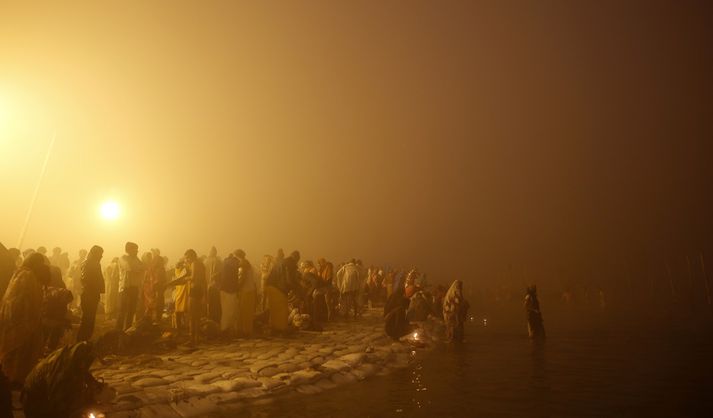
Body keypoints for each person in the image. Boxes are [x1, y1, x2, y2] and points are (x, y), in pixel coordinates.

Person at [0, 253, 50, 386]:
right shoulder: (27, 276)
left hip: (18, 319)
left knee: (16, 352)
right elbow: (26, 299)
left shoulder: (20, 273)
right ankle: (14, 379)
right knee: (19, 352)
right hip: (22, 321)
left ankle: (11, 378)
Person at [76, 246, 105, 342]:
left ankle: (85, 340)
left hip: (93, 293)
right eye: (100, 254)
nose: (101, 256)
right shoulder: (88, 263)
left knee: (90, 318)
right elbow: (85, 279)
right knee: (87, 319)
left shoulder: (95, 263)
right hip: (89, 294)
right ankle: (81, 341)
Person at [116, 242, 144, 331]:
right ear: (129, 250)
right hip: (124, 288)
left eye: (137, 249)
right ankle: (118, 331)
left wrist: (137, 269)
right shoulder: (123, 258)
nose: (137, 251)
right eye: (135, 249)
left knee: (131, 311)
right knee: (122, 311)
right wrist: (138, 269)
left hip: (134, 288)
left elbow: (143, 267)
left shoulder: (137, 259)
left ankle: (127, 330)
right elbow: (129, 267)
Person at [184, 249, 206, 345]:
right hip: (200, 290)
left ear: (191, 256)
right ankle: (197, 337)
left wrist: (186, 278)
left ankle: (191, 338)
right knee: (197, 316)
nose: (187, 260)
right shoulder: (201, 264)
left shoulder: (194, 264)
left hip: (194, 290)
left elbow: (193, 277)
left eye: (187, 258)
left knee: (192, 315)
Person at [264, 250, 289, 333]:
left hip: (271, 286)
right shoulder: (280, 264)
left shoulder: (275, 264)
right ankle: (279, 327)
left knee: (274, 308)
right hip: (276, 288)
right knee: (279, 308)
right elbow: (282, 277)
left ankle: (275, 326)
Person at [235, 250, 257, 337]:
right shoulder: (248, 264)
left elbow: (242, 279)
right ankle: (248, 330)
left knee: (243, 312)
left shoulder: (242, 265)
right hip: (251, 290)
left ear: (237, 256)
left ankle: (244, 332)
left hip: (245, 291)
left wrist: (237, 288)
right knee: (248, 312)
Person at [219, 251, 240, 334]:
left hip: (223, 290)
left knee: (225, 311)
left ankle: (224, 328)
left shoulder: (225, 264)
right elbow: (234, 280)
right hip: (230, 291)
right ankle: (226, 329)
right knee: (230, 311)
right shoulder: (233, 267)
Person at [205, 247, 222, 324]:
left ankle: (210, 318)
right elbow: (220, 273)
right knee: (216, 304)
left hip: (208, 285)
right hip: (215, 285)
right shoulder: (218, 261)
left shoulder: (206, 261)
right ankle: (215, 320)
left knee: (210, 303)